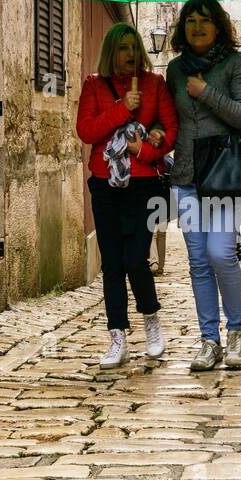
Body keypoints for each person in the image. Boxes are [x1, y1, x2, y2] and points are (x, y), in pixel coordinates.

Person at [77, 23, 178, 369]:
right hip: (105, 184)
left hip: (144, 183)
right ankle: (117, 336)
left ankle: (151, 318)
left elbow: (169, 130)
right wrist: (122, 109)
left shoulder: (155, 84)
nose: (130, 55)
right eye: (122, 48)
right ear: (111, 52)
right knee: (112, 264)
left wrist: (144, 149)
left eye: (134, 48)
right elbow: (86, 130)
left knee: (136, 258)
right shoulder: (93, 85)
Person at [166, 0, 241, 371]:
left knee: (220, 254)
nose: (198, 26)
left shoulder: (237, 64)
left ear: (218, 26)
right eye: (191, 20)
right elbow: (171, 122)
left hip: (224, 177)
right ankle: (209, 341)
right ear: (182, 28)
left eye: (205, 20)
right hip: (186, 175)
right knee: (198, 262)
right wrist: (155, 133)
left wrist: (206, 93)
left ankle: (236, 332)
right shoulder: (174, 70)